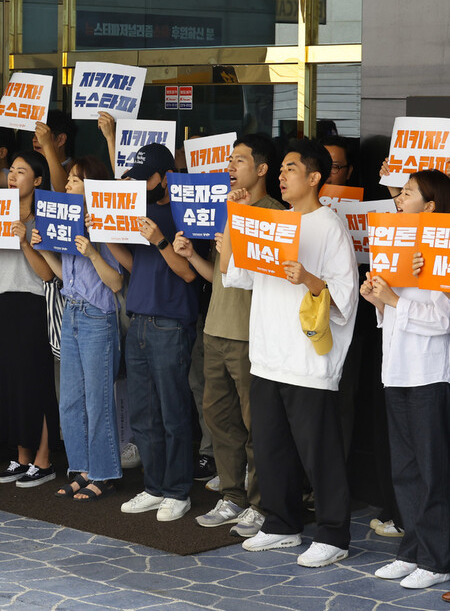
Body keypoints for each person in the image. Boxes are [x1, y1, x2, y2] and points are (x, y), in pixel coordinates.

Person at [220, 138, 358, 568]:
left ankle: (334, 533)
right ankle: (282, 524)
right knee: (271, 447)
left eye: (291, 168)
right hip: (266, 353)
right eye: (279, 168)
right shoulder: (271, 220)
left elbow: (345, 295)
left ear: (315, 177)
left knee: (319, 451)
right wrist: (235, 213)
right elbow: (233, 272)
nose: (281, 174)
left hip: (308, 361)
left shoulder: (329, 225)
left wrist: (308, 277)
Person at [173, 134, 283, 538]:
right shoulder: (228, 209)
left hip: (251, 335)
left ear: (262, 168)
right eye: (230, 160)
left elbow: (260, 278)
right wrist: (192, 258)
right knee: (219, 421)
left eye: (240, 160)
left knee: (256, 425)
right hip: (215, 329)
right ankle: (232, 496)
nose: (232, 166)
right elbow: (221, 277)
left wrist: (238, 217)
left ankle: (260, 504)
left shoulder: (273, 212)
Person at [364, 169, 450, 590]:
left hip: (431, 374)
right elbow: (391, 317)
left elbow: (444, 319)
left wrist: (394, 299)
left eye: (408, 193)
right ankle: (414, 551)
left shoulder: (444, 251)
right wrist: (378, 302)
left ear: (431, 206)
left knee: (432, 472)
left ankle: (437, 560)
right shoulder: (392, 246)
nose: (399, 198)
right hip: (396, 371)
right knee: (406, 470)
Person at [113, 143, 201, 523]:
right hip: (139, 320)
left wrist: (161, 240)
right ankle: (154, 487)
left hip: (170, 322)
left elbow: (187, 273)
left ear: (165, 177)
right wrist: (105, 234)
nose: (139, 184)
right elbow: (137, 264)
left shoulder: (185, 213)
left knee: (173, 413)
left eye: (145, 177)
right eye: (135, 178)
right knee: (144, 415)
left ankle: (178, 492)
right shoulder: (141, 209)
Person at [0, 151, 60, 489]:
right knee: (13, 383)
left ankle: (44, 460)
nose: (13, 176)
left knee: (38, 383)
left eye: (22, 171)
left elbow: (47, 273)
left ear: (38, 180)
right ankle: (22, 458)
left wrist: (24, 241)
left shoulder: (45, 218)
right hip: (5, 301)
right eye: (11, 171)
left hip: (35, 304)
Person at [32, 156, 124, 501]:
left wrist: (93, 252)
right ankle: (82, 469)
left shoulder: (106, 224)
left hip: (98, 316)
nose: (67, 184)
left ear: (94, 186)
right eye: (69, 179)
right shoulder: (67, 223)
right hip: (70, 311)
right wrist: (43, 249)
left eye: (75, 180)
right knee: (69, 401)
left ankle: (104, 473)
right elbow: (61, 274)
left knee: (98, 401)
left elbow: (116, 283)